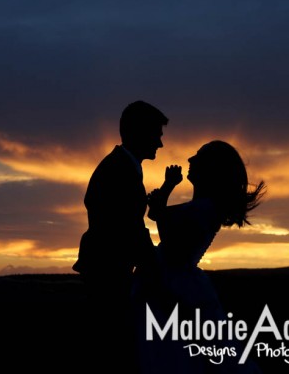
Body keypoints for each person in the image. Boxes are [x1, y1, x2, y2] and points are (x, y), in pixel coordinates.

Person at [135, 140, 266, 373]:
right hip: (173, 281)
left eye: (199, 156)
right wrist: (168, 186)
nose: (190, 160)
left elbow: (172, 241)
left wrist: (164, 196)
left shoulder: (205, 209)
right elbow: (158, 214)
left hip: (175, 286)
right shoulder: (200, 206)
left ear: (212, 168)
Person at [72, 100, 169, 370]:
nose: (160, 144)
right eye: (157, 136)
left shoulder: (121, 168)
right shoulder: (119, 171)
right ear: (140, 132)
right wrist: (158, 270)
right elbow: (129, 230)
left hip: (107, 270)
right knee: (113, 349)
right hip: (109, 273)